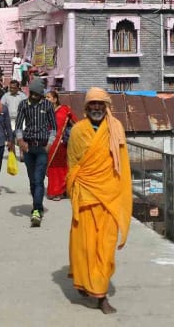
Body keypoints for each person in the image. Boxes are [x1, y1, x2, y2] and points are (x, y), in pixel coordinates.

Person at [66, 87, 132, 314]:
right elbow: (73, 165)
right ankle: (87, 282)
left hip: (110, 197)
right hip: (85, 196)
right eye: (92, 104)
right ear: (86, 108)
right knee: (85, 246)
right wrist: (73, 191)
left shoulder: (116, 129)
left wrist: (122, 193)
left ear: (106, 106)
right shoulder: (77, 131)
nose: (96, 108)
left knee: (105, 248)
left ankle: (101, 295)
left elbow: (122, 164)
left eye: (100, 104)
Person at [15, 78, 57, 227]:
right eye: (32, 93)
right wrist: (21, 142)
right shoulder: (23, 105)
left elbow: (54, 127)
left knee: (39, 180)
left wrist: (50, 144)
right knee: (32, 180)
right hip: (28, 148)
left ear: (40, 94)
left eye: (36, 94)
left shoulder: (47, 105)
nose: (33, 97)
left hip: (42, 148)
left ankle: (36, 211)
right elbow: (19, 125)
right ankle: (37, 205)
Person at [45, 90, 79, 200]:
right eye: (45, 97)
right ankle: (55, 190)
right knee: (52, 168)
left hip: (62, 144)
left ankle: (59, 192)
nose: (46, 99)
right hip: (50, 144)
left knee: (62, 167)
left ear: (55, 99)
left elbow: (76, 123)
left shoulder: (64, 110)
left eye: (48, 97)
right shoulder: (45, 112)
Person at [1, 80, 27, 159]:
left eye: (13, 88)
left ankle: (22, 154)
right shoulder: (5, 96)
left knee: (21, 137)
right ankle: (13, 155)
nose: (11, 89)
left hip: (20, 119)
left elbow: (27, 106)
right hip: (9, 120)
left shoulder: (23, 96)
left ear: (17, 88)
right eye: (10, 88)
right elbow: (1, 107)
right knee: (11, 137)